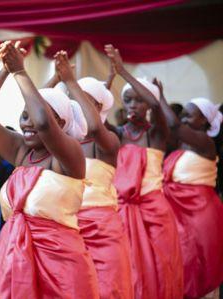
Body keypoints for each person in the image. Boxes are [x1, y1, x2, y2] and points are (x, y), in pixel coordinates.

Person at [0, 41, 99, 299]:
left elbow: (43, 122)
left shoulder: (70, 155)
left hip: (61, 268)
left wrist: (22, 72)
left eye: (33, 114)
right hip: (15, 260)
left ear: (62, 123)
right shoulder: (22, 152)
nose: (28, 123)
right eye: (23, 115)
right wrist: (6, 70)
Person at [105, 44, 183, 299]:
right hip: (121, 212)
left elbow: (156, 105)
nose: (133, 105)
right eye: (127, 100)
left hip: (154, 212)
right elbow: (93, 113)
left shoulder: (155, 133)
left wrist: (123, 71)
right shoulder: (117, 134)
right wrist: (110, 76)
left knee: (159, 270)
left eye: (138, 101)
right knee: (127, 270)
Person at [54, 50, 133, 299]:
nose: (75, 105)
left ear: (99, 107)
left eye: (84, 101)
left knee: (108, 289)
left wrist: (70, 82)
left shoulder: (107, 140)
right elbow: (45, 111)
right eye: (72, 100)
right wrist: (58, 81)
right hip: (67, 225)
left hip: (102, 228)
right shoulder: (65, 141)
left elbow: (95, 126)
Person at [157, 82, 223, 298]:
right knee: (179, 264)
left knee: (198, 264)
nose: (183, 119)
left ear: (204, 120)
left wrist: (161, 97)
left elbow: (174, 125)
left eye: (189, 116)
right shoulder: (180, 145)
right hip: (178, 213)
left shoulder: (206, 143)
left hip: (198, 213)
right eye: (182, 115)